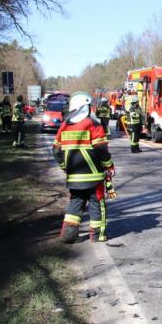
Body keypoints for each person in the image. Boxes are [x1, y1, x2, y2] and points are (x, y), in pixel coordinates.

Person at [52, 92, 114, 243]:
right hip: (94, 176)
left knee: (76, 203)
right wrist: (109, 166)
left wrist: (65, 167)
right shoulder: (92, 124)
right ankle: (98, 235)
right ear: (84, 107)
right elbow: (101, 149)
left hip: (74, 177)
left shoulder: (64, 126)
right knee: (97, 203)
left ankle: (68, 235)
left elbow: (55, 151)